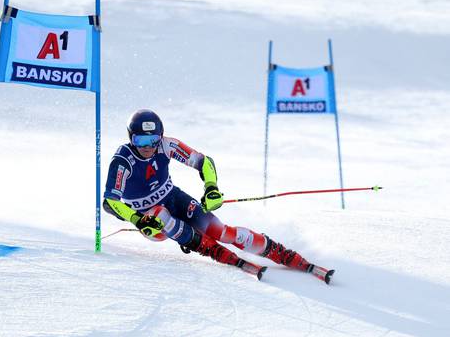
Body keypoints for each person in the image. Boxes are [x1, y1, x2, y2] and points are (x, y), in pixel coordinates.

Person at [103, 109, 333, 282]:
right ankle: (209, 249)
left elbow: (204, 162)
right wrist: (136, 219)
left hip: (174, 197)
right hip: (149, 219)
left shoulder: (167, 145)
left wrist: (211, 187)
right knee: (160, 215)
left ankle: (282, 254)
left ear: (160, 136)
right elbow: (110, 202)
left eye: (153, 140)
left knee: (221, 231)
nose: (148, 146)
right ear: (130, 138)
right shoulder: (124, 160)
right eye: (140, 141)